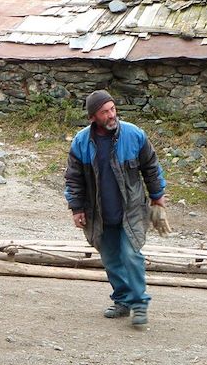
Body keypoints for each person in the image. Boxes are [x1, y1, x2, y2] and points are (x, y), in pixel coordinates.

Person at [64, 90, 169, 328]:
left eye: (113, 109)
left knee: (131, 255)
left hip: (131, 209)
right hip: (99, 212)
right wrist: (76, 208)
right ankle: (122, 301)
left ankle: (139, 304)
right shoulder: (81, 142)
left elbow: (151, 167)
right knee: (111, 258)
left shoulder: (134, 135)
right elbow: (73, 178)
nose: (111, 115)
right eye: (105, 112)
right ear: (93, 117)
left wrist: (157, 197)